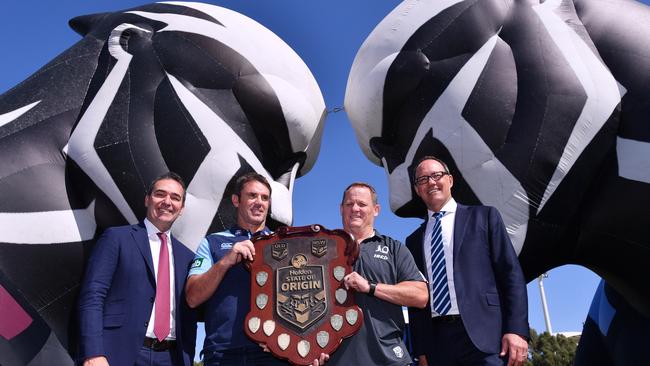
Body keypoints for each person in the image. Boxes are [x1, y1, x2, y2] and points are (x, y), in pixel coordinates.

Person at [406, 156, 529, 366]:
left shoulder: (485, 217)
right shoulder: (413, 241)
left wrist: (517, 329)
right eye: (423, 179)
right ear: (417, 189)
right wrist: (422, 350)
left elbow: (511, 275)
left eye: (437, 175)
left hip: (487, 338)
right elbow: (415, 299)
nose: (431, 182)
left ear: (450, 180)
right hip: (437, 344)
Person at [78, 172, 197, 366]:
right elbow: (93, 295)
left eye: (175, 198)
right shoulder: (116, 238)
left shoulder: (188, 257)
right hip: (117, 354)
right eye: (160, 194)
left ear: (181, 208)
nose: (167, 201)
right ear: (147, 199)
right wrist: (92, 353)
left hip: (171, 358)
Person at [184, 172, 287, 366]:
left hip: (272, 352)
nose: (259, 202)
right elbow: (192, 297)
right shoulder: (212, 242)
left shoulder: (284, 244)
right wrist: (226, 261)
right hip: (222, 354)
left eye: (265, 198)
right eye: (252, 195)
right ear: (236, 200)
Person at [325, 182, 429, 366]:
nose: (355, 209)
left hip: (388, 358)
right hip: (336, 359)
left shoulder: (394, 248)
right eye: (349, 204)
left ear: (376, 209)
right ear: (341, 209)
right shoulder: (323, 251)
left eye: (362, 204)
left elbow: (420, 295)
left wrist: (370, 287)